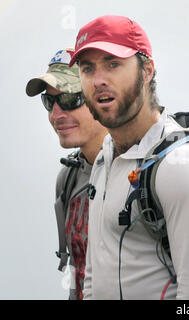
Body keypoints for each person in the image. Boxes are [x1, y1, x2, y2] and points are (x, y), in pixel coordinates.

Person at [69, 15, 189, 300]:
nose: (99, 80)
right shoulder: (104, 158)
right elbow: (94, 279)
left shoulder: (182, 167)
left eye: (113, 64)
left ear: (147, 71)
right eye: (88, 69)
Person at [26, 47, 107, 300]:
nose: (56, 114)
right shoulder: (68, 179)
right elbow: (77, 274)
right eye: (49, 101)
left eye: (70, 99)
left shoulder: (143, 175)